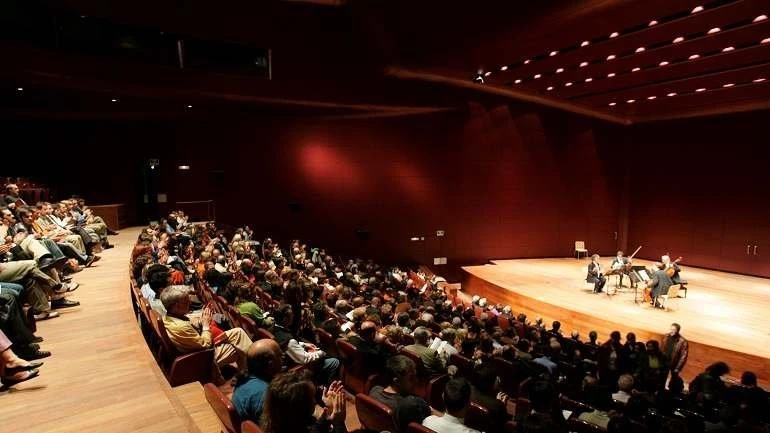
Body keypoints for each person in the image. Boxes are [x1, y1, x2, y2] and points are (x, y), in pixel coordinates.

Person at [160, 285, 253, 370]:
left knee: (238, 332)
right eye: (187, 301)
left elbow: (189, 324)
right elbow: (205, 345)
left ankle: (246, 371)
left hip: (197, 349)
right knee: (239, 346)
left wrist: (203, 318)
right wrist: (205, 324)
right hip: (202, 358)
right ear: (178, 305)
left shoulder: (168, 318)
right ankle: (255, 365)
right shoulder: (180, 327)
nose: (190, 303)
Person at [272, 304, 339, 385]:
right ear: (285, 319)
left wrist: (303, 344)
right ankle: (323, 385)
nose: (293, 316)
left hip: (292, 357)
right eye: (291, 315)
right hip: (295, 369)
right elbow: (305, 359)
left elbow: (292, 345)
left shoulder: (274, 327)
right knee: (335, 361)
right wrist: (322, 352)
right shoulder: (288, 340)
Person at [260, 369, 346, 433]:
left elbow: (316, 427)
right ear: (300, 408)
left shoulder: (279, 422)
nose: (315, 402)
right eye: (312, 397)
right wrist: (339, 422)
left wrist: (328, 413)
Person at [369, 355, 431, 432]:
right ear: (396, 381)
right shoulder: (408, 406)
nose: (416, 380)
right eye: (411, 378)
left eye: (415, 376)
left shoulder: (374, 391)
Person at [232, 339, 284, 423]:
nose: (283, 358)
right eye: (280, 356)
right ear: (270, 364)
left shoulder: (243, 380)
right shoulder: (266, 395)